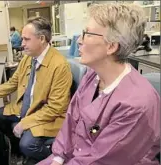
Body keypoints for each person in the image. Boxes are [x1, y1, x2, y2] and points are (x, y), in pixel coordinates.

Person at [38, 3, 160, 165]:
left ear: (111, 46)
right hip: (76, 155)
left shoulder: (136, 104)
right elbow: (71, 120)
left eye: (87, 34)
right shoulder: (92, 76)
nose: (79, 41)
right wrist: (58, 157)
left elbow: (102, 160)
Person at [0, 17, 73, 164]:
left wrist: (25, 122)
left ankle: (58, 158)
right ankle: (16, 154)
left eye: (26, 39)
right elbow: (11, 84)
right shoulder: (29, 58)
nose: (22, 44)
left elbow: (55, 108)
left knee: (28, 145)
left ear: (41, 39)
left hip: (47, 115)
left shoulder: (59, 66)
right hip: (26, 108)